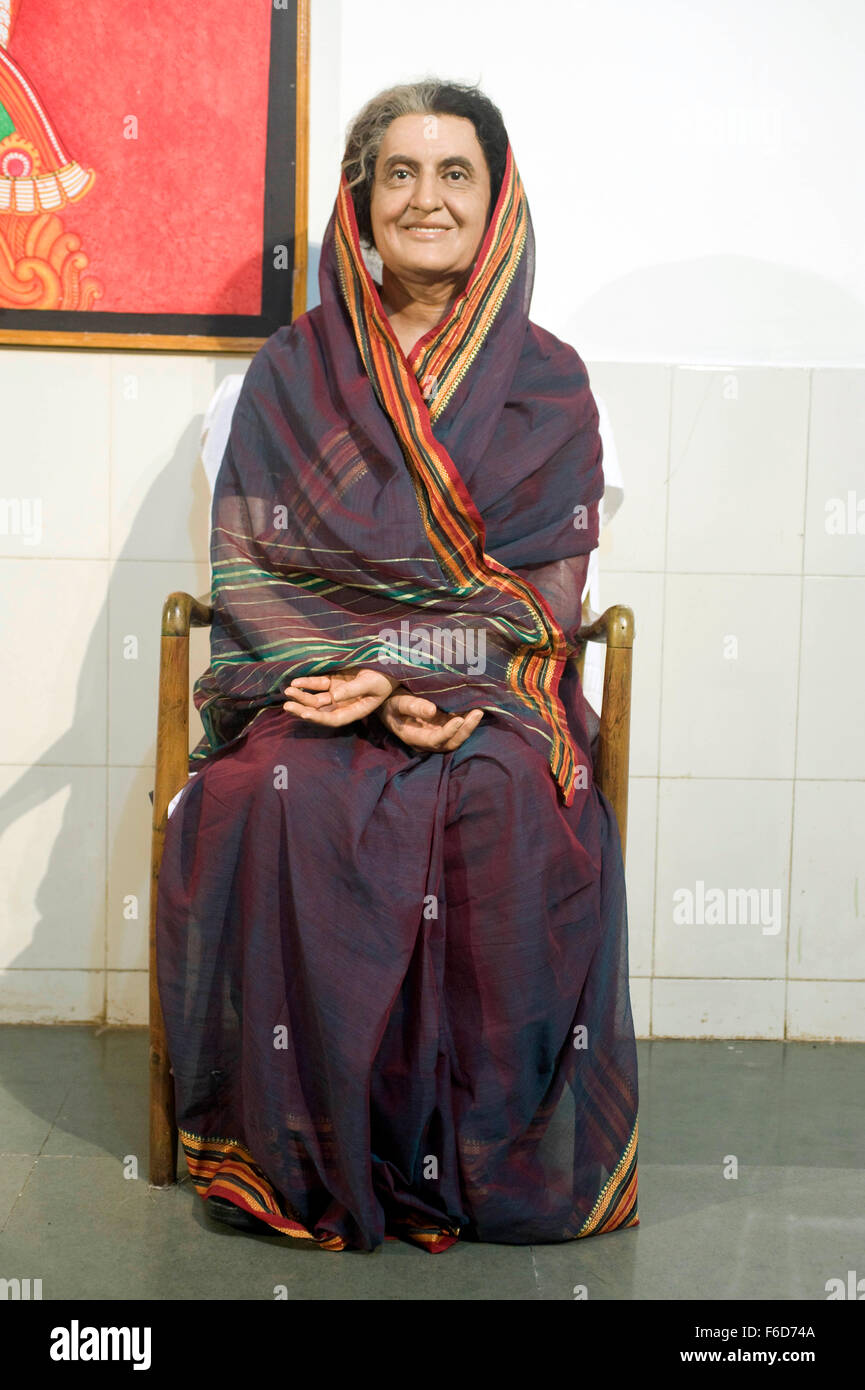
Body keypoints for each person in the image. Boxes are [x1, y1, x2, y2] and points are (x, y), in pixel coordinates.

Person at [155, 79, 639, 1254]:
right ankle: (310, 1148)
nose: (427, 198)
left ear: (497, 199)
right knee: (277, 795)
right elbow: (250, 568)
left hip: (489, 693)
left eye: (454, 173)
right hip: (311, 682)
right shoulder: (292, 369)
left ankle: (476, 1155)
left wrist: (428, 681)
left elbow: (548, 594)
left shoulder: (551, 382)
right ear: (359, 203)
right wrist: (362, 674)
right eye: (401, 173)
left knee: (500, 796)